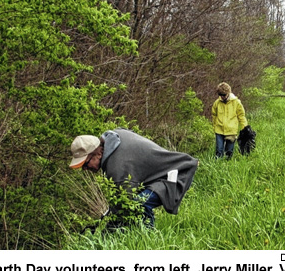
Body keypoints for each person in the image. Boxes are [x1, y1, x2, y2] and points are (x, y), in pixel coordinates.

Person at [69, 129, 198, 228]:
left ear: (98, 153)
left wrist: (107, 232)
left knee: (137, 205)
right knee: (137, 203)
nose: (85, 169)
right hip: (162, 174)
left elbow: (124, 207)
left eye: (86, 164)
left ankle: (150, 239)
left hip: (176, 174)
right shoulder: (114, 136)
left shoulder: (117, 167)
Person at [211, 82, 247, 159]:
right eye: (220, 95)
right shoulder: (217, 103)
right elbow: (214, 115)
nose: (222, 97)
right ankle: (218, 166)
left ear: (228, 93)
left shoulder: (236, 102)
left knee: (229, 152)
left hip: (231, 130)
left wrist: (244, 127)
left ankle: (228, 165)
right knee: (219, 151)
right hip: (219, 129)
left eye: (223, 95)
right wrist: (214, 126)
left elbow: (241, 115)